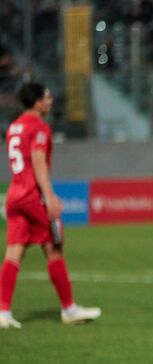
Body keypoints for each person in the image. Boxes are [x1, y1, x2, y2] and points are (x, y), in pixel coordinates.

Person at [1, 82, 100, 329]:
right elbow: (37, 161)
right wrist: (50, 196)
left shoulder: (14, 127)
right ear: (36, 102)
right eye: (46, 97)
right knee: (54, 247)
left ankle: (3, 312)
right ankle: (69, 309)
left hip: (14, 194)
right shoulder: (39, 127)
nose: (50, 100)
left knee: (14, 252)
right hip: (33, 196)